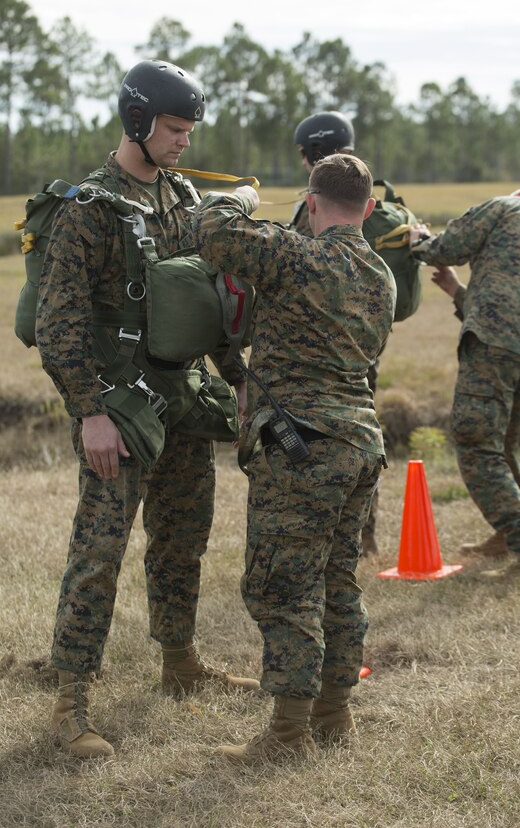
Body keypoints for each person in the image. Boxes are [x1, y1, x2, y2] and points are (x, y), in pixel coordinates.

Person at [36, 60, 259, 760]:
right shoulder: (89, 208)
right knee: (98, 553)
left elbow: (206, 300)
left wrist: (239, 376)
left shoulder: (183, 196)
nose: (183, 142)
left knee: (183, 538)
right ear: (138, 121)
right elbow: (59, 319)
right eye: (172, 129)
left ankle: (180, 661)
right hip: (118, 408)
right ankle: (70, 701)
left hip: (182, 398)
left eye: (190, 131)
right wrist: (87, 412)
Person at [191, 153, 396, 761]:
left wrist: (243, 200)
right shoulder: (381, 275)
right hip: (361, 444)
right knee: (337, 580)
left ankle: (287, 735)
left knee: (285, 587)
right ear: (366, 208)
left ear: (311, 203)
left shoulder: (297, 257)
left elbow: (214, 229)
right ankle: (334, 714)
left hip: (303, 447)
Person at [409, 186, 520, 581]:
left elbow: (451, 245)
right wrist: (456, 291)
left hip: (495, 345)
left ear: (517, 196)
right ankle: (506, 537)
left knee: (476, 441)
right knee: (508, 442)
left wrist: (420, 242)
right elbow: (513, 301)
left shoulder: (506, 206)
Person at [290, 111, 380, 555]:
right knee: (362, 431)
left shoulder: (309, 212)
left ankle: (318, 542)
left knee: (318, 446)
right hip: (364, 347)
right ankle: (361, 536)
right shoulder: (378, 205)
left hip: (308, 358)